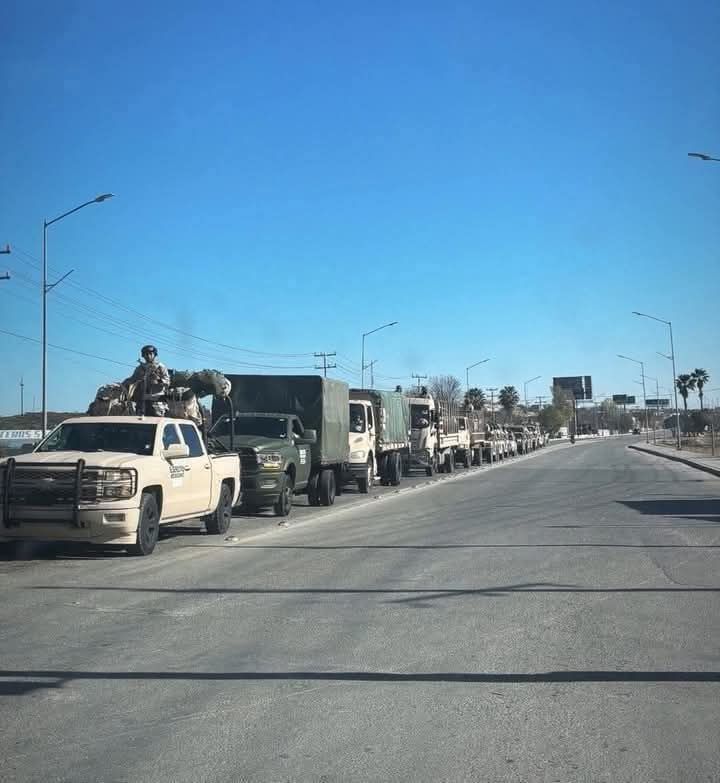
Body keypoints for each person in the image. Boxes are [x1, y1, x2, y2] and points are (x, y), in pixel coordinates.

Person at [122, 345, 170, 416]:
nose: (148, 356)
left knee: (156, 422)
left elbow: (167, 382)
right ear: (143, 356)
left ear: (154, 355)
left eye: (150, 354)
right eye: (146, 354)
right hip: (142, 401)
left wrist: (158, 380)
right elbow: (132, 379)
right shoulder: (140, 368)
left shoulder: (160, 367)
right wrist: (122, 384)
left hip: (157, 401)